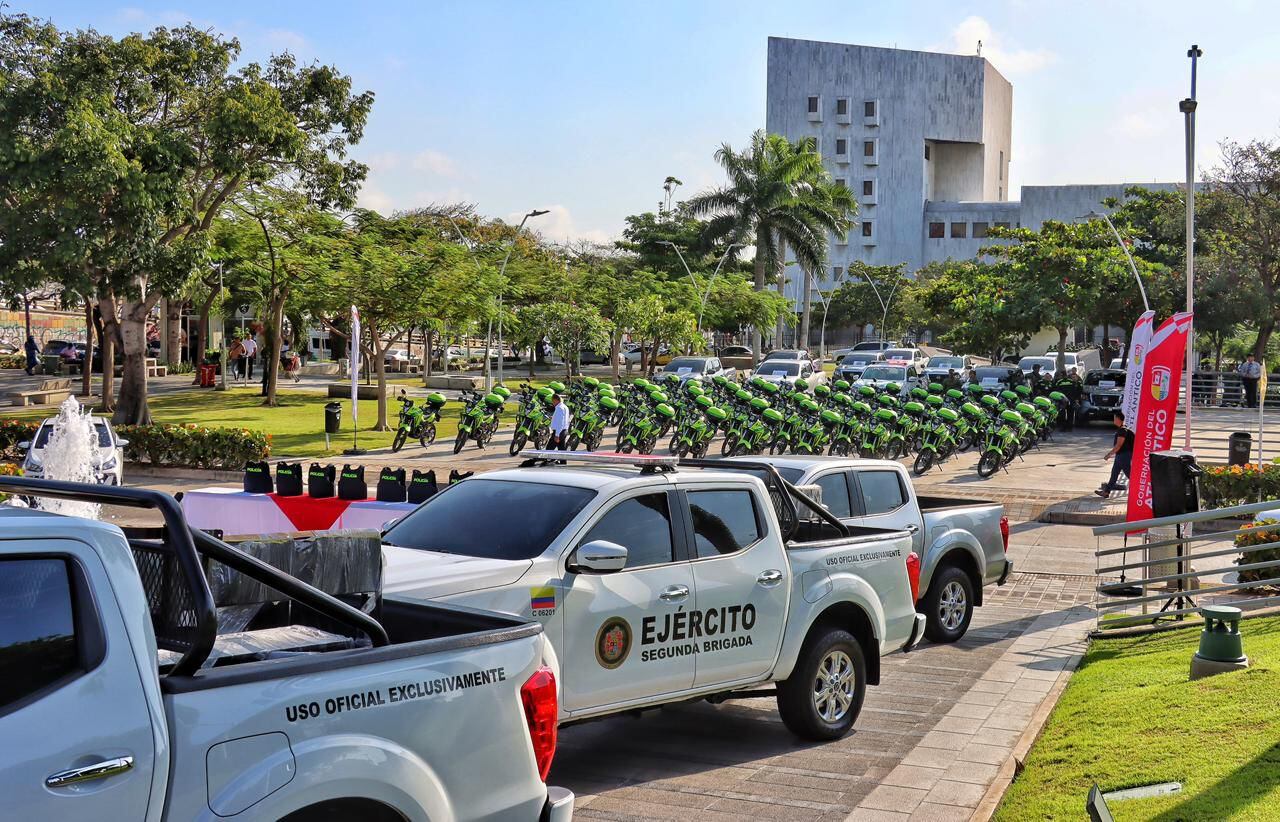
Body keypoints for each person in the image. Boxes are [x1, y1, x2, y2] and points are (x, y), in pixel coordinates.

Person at [1096, 412, 1135, 498]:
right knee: (1114, 474)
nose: (1113, 420)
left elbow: (1119, 445)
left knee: (1130, 475)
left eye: (1114, 418)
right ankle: (1106, 492)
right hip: (1120, 456)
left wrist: (1109, 455)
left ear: (1118, 419)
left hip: (1124, 456)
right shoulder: (1122, 429)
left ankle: (1140, 491)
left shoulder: (1122, 430)